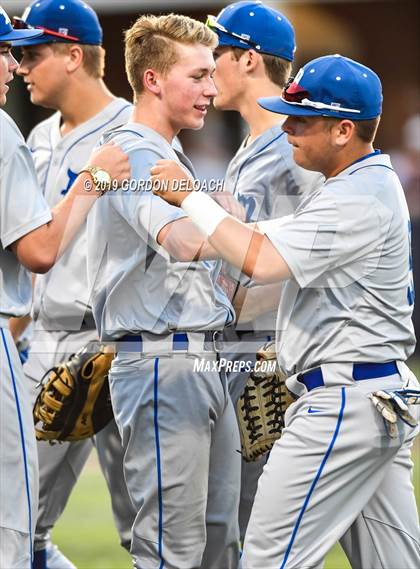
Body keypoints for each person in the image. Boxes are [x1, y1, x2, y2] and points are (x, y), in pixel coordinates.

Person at [152, 54, 420, 568]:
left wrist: (189, 197)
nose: (289, 127)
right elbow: (258, 238)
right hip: (372, 398)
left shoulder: (357, 195)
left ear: (344, 130)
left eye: (303, 118)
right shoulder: (355, 183)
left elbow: (262, 259)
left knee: (268, 560)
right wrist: (187, 234)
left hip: (344, 402)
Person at [86, 13, 241, 569]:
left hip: (197, 360)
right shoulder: (134, 152)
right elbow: (181, 241)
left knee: (220, 542)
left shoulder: (168, 152)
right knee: (172, 552)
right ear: (153, 80)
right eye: (198, 75)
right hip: (161, 362)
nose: (212, 89)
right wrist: (219, 214)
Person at [0, 4, 129, 568]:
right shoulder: (31, 135)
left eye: (31, 53)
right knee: (21, 525)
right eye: (13, 53)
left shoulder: (132, 133)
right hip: (44, 344)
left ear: (75, 55)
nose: (20, 66)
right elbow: (36, 251)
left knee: (155, 532)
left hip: (119, 345)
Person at [207, 1, 322, 540]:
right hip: (244, 354)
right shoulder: (254, 143)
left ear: (249, 60)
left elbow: (287, 266)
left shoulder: (289, 151)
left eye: (219, 51)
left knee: (265, 535)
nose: (211, 63)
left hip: (271, 360)